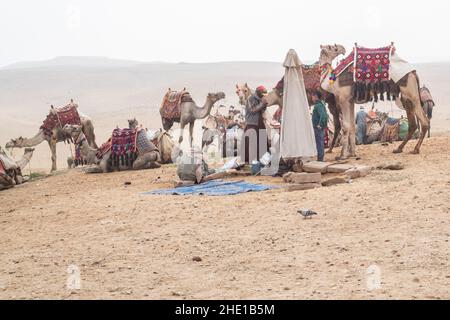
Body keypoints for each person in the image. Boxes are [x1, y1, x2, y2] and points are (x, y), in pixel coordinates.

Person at [242, 85, 269, 164]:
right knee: (253, 144)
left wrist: (264, 105)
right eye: (262, 94)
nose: (263, 96)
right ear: (258, 93)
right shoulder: (250, 99)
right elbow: (252, 110)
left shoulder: (260, 99)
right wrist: (262, 104)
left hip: (260, 123)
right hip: (252, 124)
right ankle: (252, 161)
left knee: (262, 141)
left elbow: (261, 111)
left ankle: (263, 159)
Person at [311, 91, 328, 162]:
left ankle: (320, 159)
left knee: (319, 143)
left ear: (315, 96)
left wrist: (320, 125)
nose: (312, 98)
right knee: (319, 143)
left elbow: (324, 116)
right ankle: (320, 158)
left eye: (312, 96)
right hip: (318, 128)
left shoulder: (318, 105)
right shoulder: (320, 104)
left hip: (318, 128)